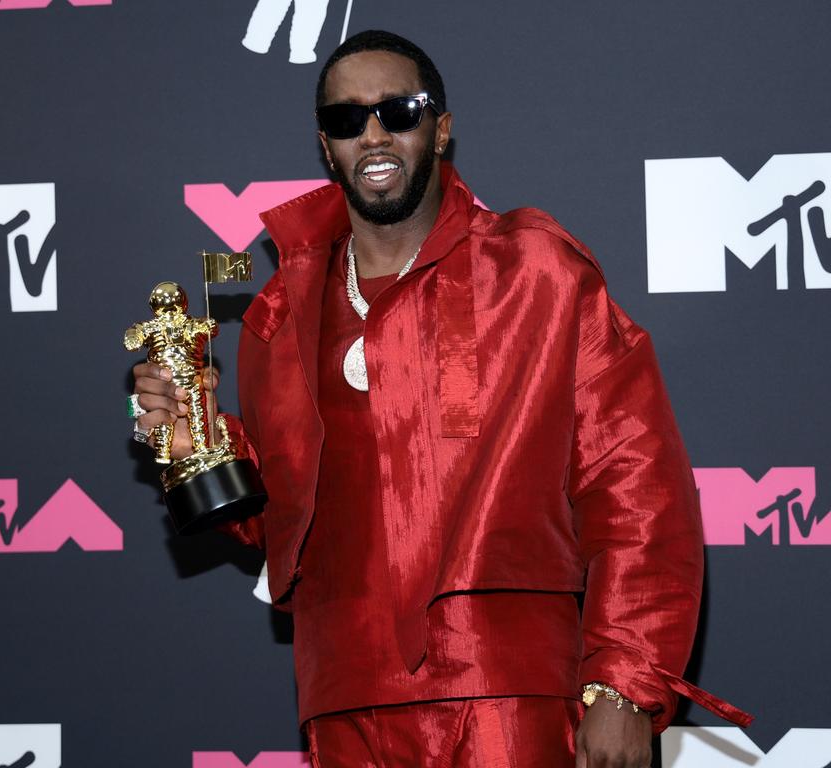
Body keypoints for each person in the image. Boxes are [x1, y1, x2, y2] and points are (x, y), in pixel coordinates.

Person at [131, 29, 751, 768]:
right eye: (345, 119)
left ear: (441, 128)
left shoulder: (536, 273)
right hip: (342, 701)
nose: (373, 134)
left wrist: (622, 684)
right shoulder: (278, 317)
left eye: (399, 110)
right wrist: (198, 445)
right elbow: (289, 527)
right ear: (325, 147)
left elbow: (636, 483)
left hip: (507, 693)